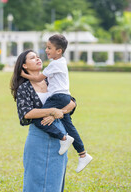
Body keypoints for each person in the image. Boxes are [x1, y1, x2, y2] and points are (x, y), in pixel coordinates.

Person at [21, 34, 92, 173]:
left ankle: (63, 138)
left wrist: (22, 75)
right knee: (69, 126)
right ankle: (83, 154)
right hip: (65, 96)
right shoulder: (62, 61)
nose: (46, 50)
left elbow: (37, 78)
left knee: (37, 119)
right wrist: (55, 114)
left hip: (58, 97)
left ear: (58, 51)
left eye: (49, 48)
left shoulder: (54, 64)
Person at [10, 49, 76, 192]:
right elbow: (26, 113)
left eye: (38, 57)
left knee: (55, 180)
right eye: (33, 58)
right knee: (36, 180)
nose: (38, 59)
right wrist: (52, 111)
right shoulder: (24, 88)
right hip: (38, 138)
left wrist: (57, 113)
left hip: (61, 137)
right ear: (24, 66)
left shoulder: (51, 79)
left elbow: (71, 102)